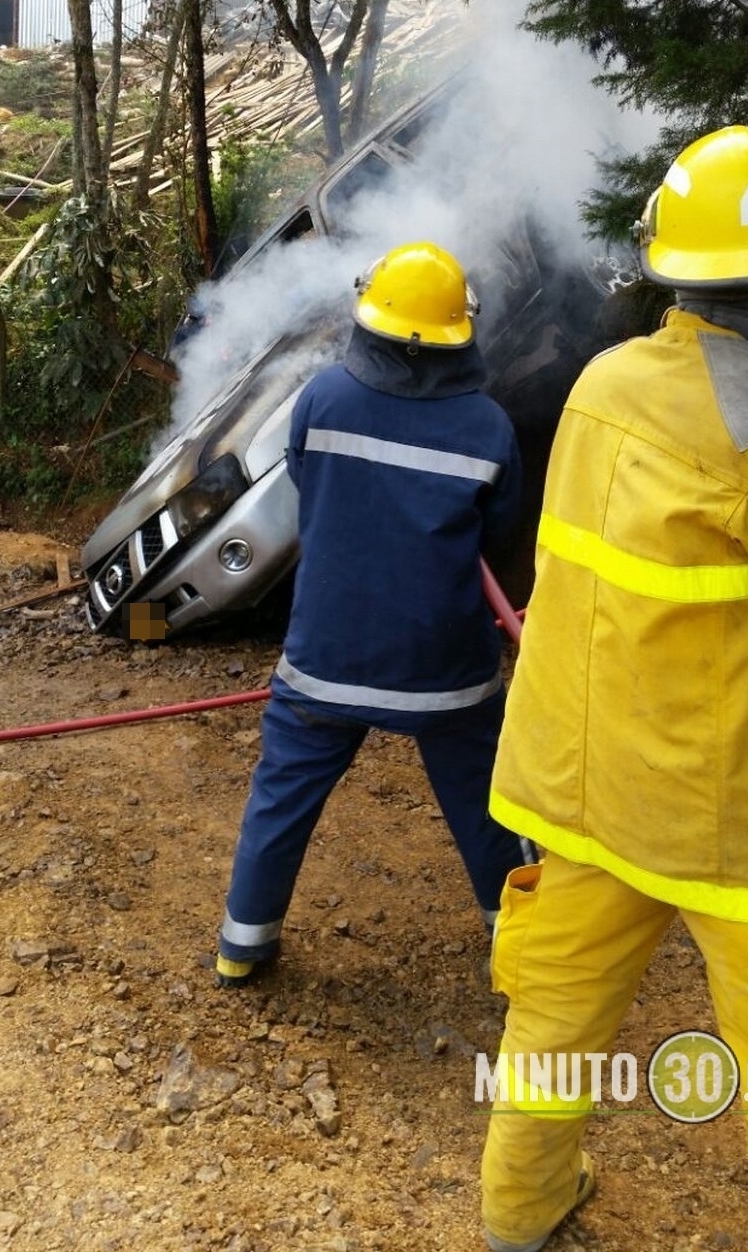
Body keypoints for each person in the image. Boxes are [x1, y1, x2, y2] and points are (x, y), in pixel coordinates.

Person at [480, 126, 748, 1252]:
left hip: (581, 782)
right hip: (731, 812)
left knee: (552, 1020)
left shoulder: (601, 382)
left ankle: (520, 1214)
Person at [215, 240, 535, 988]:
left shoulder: (322, 398)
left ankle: (242, 946)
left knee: (280, 801)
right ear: (464, 332)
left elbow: (307, 482)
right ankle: (526, 956)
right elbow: (497, 534)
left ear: (369, 320)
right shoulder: (488, 428)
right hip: (445, 675)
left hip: (324, 661)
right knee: (490, 805)